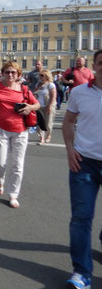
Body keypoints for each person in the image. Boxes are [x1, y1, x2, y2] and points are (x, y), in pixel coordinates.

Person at [63, 49, 102, 289]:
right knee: (81, 217)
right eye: (101, 62)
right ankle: (82, 272)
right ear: (95, 66)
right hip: (84, 161)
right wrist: (69, 148)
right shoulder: (79, 92)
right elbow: (68, 121)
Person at [0, 61, 40, 209]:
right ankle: (0, 181)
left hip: (20, 130)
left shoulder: (24, 89)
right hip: (0, 129)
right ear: (2, 73)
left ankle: (13, 194)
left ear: (18, 74)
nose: (10, 75)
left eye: (13, 72)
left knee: (17, 165)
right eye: (7, 72)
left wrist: (30, 107)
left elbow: (37, 104)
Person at [34, 69, 57, 145]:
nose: (40, 77)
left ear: (47, 76)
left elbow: (53, 97)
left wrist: (49, 106)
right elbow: (35, 94)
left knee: (48, 123)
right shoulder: (38, 84)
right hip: (39, 106)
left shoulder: (51, 85)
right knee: (40, 123)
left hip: (48, 105)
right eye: (39, 75)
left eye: (42, 75)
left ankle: (48, 136)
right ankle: (41, 139)